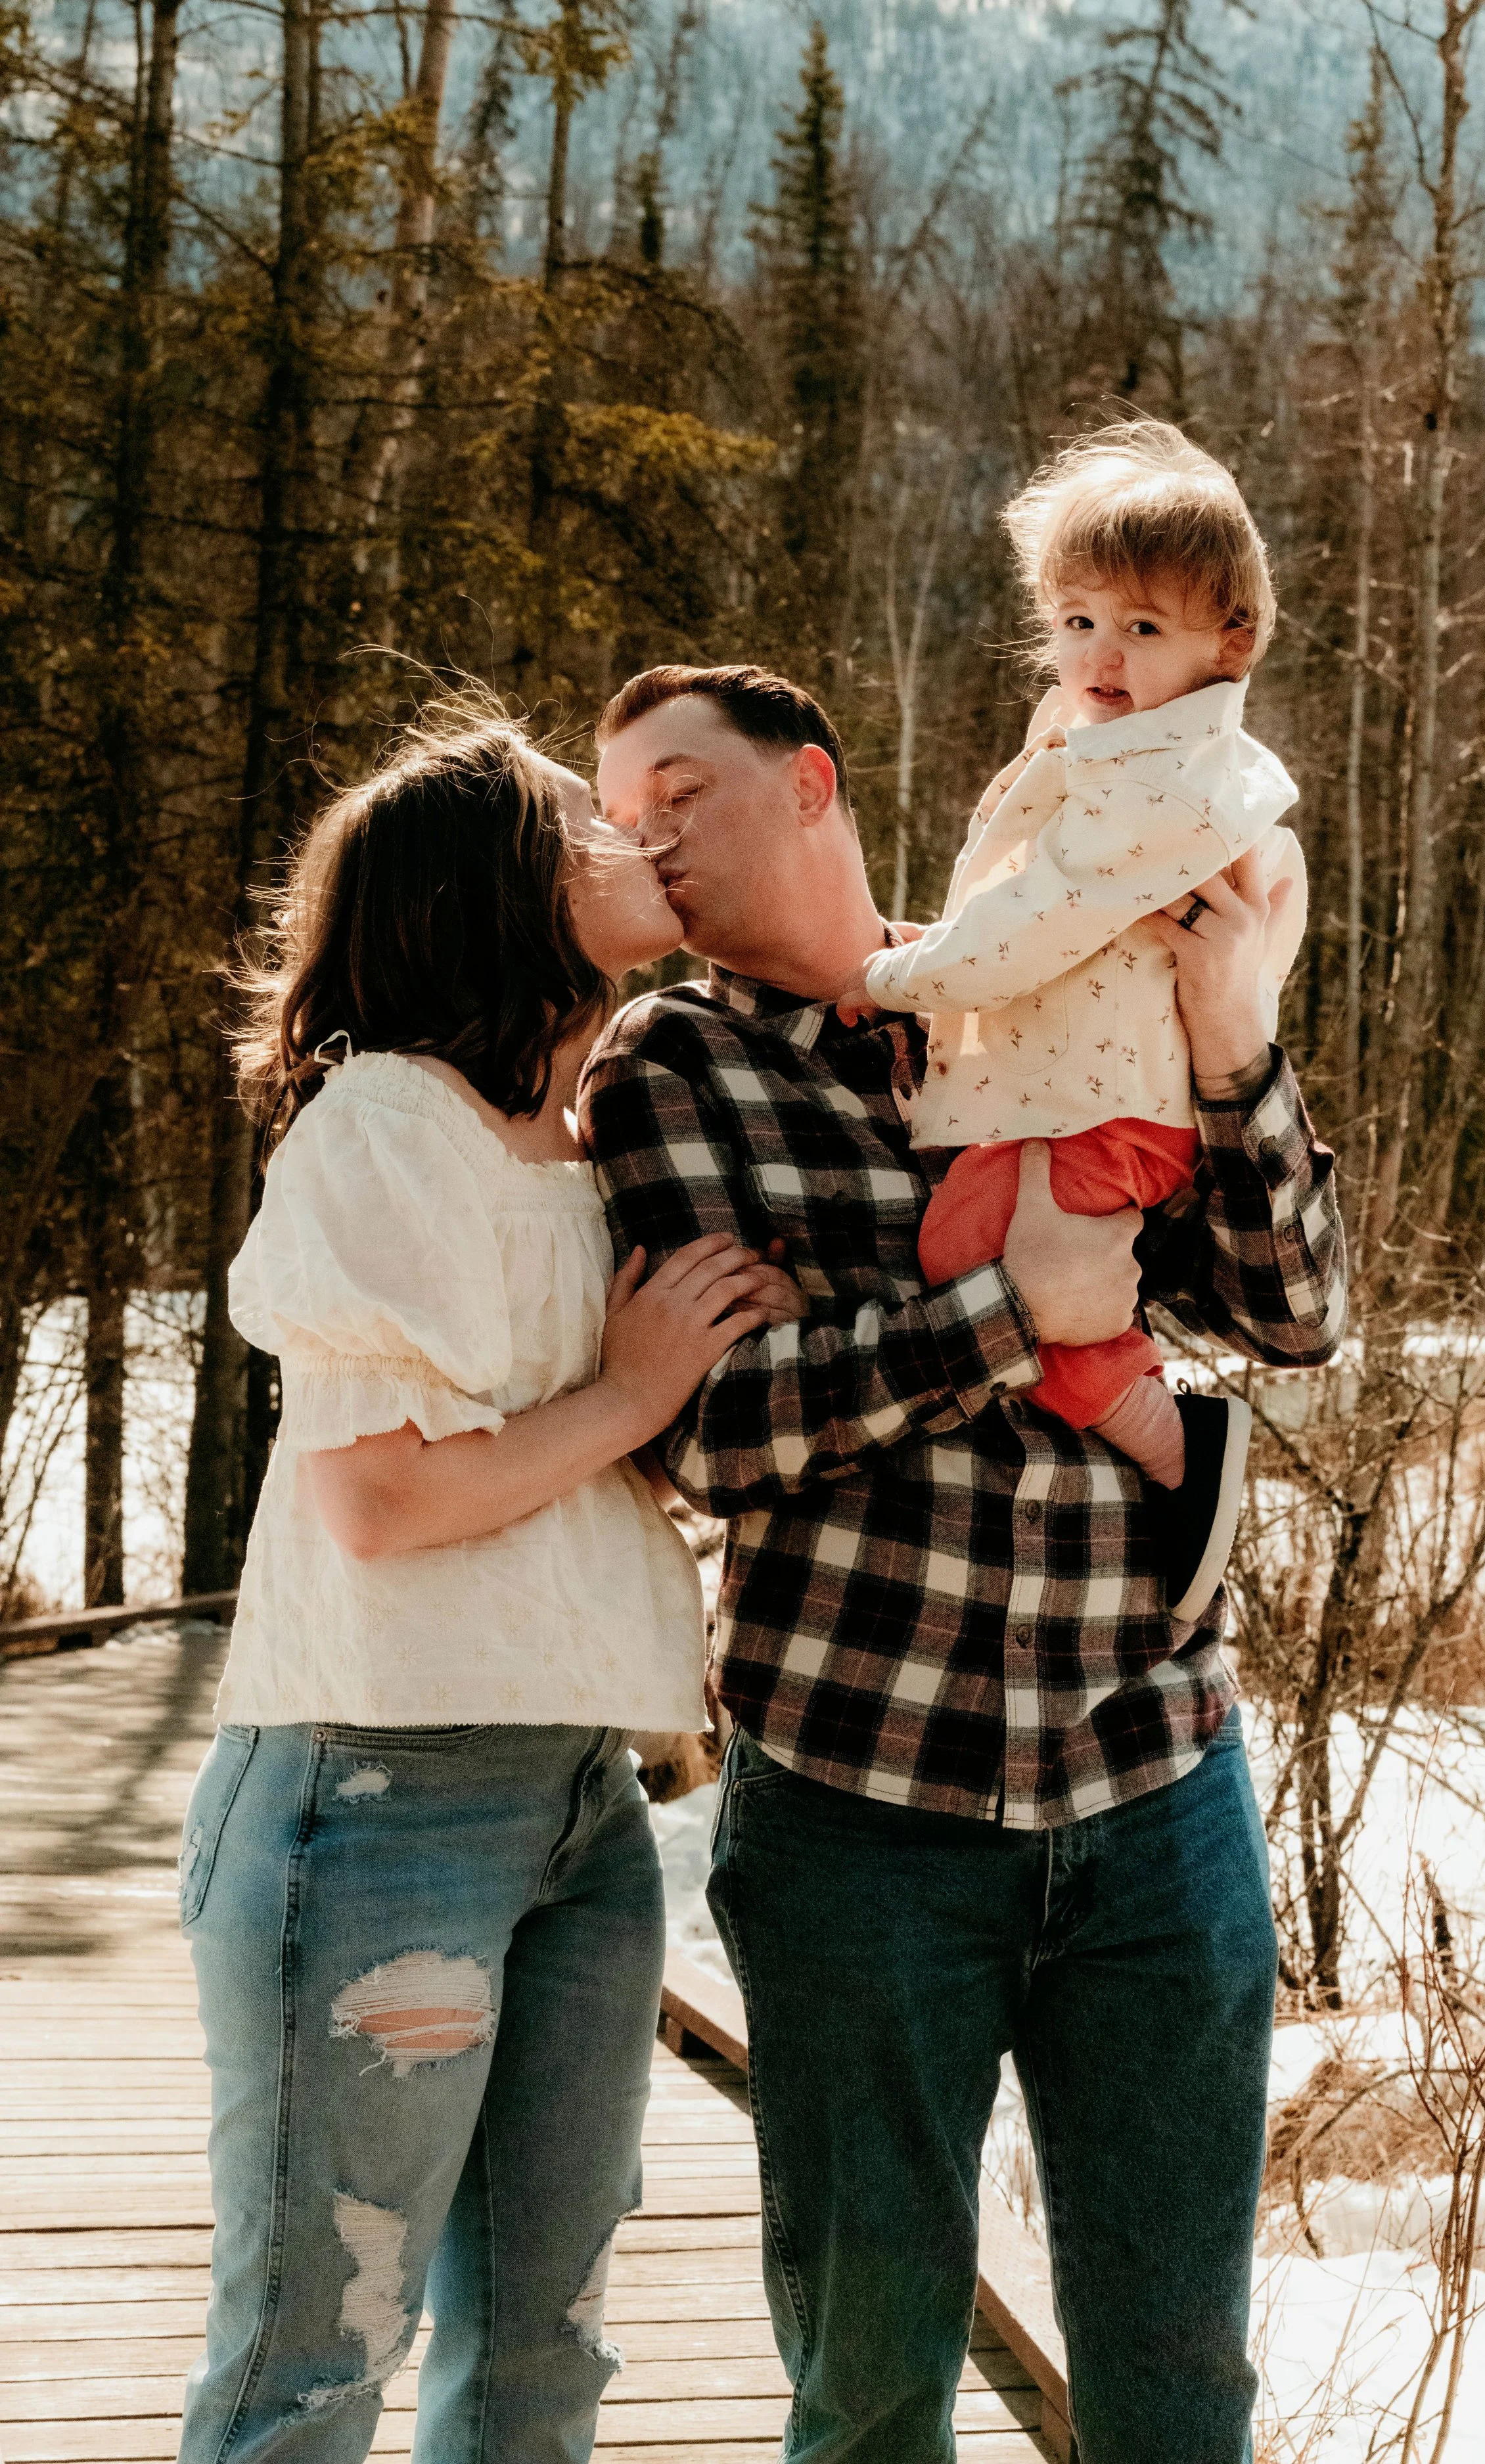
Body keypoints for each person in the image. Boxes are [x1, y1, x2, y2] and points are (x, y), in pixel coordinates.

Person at [583, 660, 1348, 2464]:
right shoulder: (671, 1063)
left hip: (1153, 1789)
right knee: (866, 2392)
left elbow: (1296, 1311)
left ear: (810, 787)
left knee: (1178, 2385)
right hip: (863, 1816)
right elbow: (708, 1426)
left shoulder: (1041, 970)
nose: (649, 834)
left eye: (680, 786)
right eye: (621, 813)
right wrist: (1014, 1315)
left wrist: (1232, 1046)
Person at [175, 702, 800, 2461]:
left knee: (544, 2346)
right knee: (314, 2352)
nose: (637, 837)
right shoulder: (387, 1120)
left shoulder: (594, 1137)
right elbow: (373, 1498)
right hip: (370, 1800)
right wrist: (625, 1395)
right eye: (582, 823)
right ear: (500, 891)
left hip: (574, 1807)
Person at [838, 417, 1308, 1620]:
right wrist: (929, 954)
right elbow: (1015, 906)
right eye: (1078, 620)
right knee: (977, 1255)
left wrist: (898, 978)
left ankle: (1171, 1446)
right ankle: (1148, 1433)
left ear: (1231, 639)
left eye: (1143, 628)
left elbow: (1044, 921)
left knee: (979, 1266)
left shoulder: (1167, 784)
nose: (1102, 654)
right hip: (1065, 1086)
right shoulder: (1105, 745)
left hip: (1105, 1107)